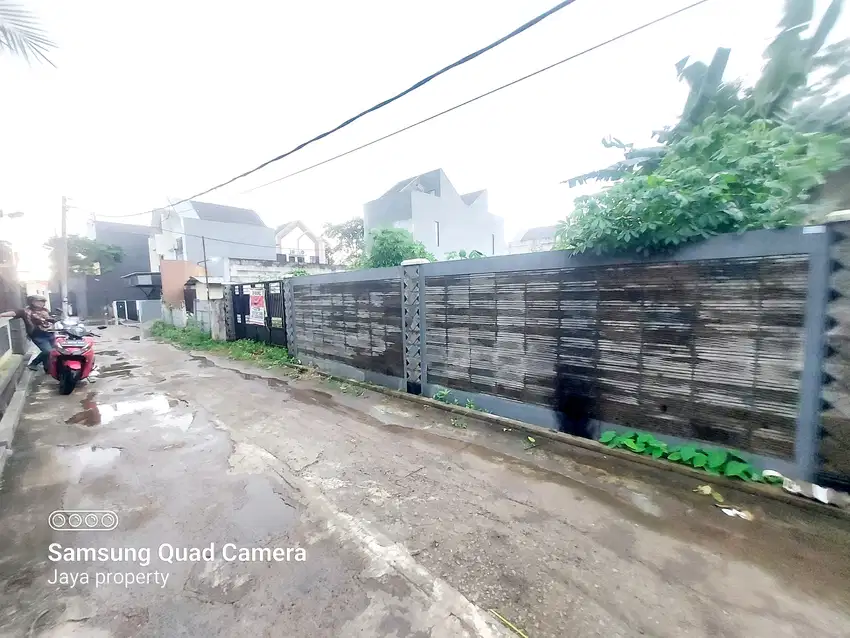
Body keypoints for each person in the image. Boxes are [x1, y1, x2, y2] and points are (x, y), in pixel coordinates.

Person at [0, 295, 57, 371]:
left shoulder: (46, 310)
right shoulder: (25, 311)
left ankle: (47, 368)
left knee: (51, 352)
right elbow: (13, 313)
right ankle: (34, 363)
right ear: (32, 302)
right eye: (39, 301)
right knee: (47, 351)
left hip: (50, 334)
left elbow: (51, 319)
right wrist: (1, 315)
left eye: (43, 301)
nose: (41, 303)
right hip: (38, 335)